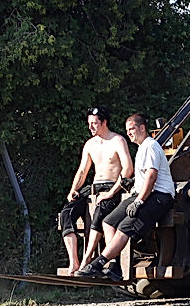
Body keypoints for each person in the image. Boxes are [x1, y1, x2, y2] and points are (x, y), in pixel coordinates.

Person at [76, 114, 175, 280]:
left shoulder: (151, 146)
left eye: (132, 129)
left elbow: (152, 177)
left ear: (142, 128)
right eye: (127, 130)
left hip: (159, 197)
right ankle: (114, 266)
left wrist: (138, 202)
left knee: (125, 226)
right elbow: (143, 178)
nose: (129, 133)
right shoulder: (142, 148)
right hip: (142, 194)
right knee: (107, 221)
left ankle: (97, 264)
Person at [57, 107, 133, 272]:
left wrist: (112, 191)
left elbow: (128, 169)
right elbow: (83, 171)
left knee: (100, 211)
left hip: (112, 186)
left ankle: (87, 259)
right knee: (66, 213)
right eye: (89, 123)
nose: (90, 127)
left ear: (104, 122)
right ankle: (74, 262)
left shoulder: (117, 140)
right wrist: (73, 190)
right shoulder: (90, 144)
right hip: (93, 187)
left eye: (94, 124)